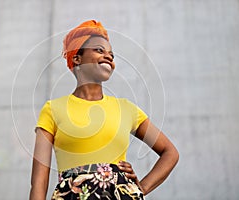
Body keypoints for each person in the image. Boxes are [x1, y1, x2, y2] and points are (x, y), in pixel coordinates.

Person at [30, 20, 179, 200]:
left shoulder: (127, 109)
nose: (109, 57)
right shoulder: (53, 110)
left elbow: (170, 152)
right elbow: (39, 182)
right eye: (99, 50)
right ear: (77, 58)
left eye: (111, 54)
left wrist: (142, 188)